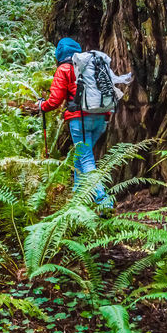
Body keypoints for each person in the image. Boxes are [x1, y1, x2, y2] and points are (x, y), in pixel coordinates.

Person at [37, 37, 113, 209]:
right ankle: (78, 200)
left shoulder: (64, 69)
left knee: (85, 159)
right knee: (80, 157)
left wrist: (42, 106)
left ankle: (103, 202)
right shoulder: (90, 65)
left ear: (59, 54)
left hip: (80, 120)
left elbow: (55, 101)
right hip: (101, 117)